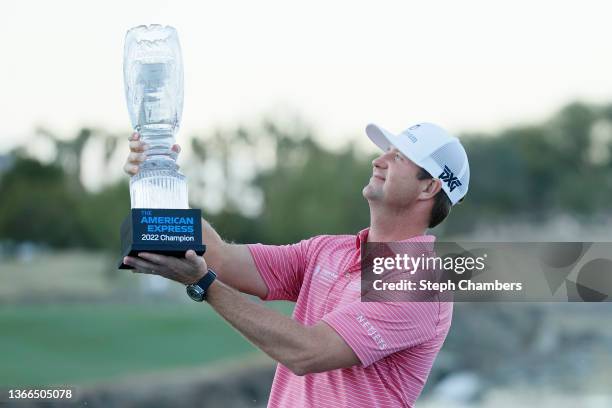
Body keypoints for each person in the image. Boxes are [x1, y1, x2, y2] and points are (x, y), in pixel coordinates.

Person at [122, 122, 470, 408]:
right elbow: (222, 258)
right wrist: (157, 175)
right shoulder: (328, 251)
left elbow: (307, 351)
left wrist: (204, 285)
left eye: (399, 158)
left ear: (430, 187)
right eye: (385, 152)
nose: (380, 161)